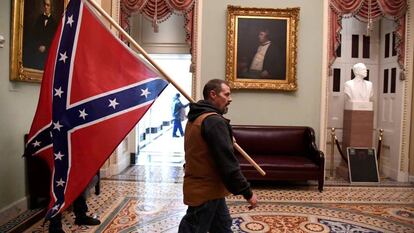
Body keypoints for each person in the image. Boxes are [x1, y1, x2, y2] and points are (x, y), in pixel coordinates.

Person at [178, 79, 257, 233]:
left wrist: (225, 136)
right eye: (226, 94)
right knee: (193, 228)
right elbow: (228, 164)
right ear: (213, 94)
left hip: (211, 188)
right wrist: (247, 192)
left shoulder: (198, 117)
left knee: (222, 226)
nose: (230, 99)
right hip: (205, 190)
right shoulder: (213, 121)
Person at [26, 0, 58, 70]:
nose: (46, 7)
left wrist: (45, 47)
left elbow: (54, 40)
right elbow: (33, 36)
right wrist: (38, 46)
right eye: (45, 5)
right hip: (36, 52)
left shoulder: (54, 23)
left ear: (51, 7)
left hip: (47, 54)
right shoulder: (38, 19)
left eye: (48, 5)